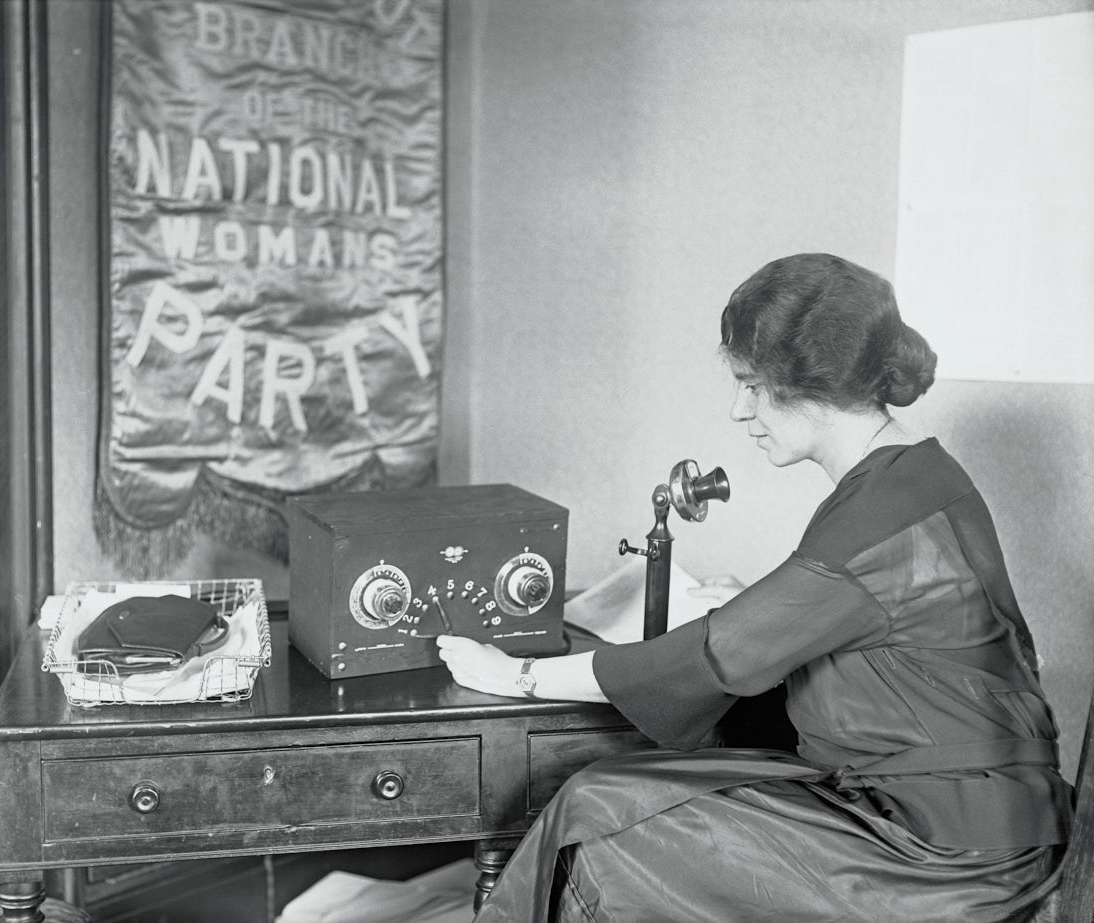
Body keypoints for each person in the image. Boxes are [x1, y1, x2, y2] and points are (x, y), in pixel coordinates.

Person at [436, 253, 1072, 922]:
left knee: (601, 820)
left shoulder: (879, 511)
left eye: (752, 384)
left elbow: (710, 657)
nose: (739, 409)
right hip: (966, 818)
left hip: (944, 852)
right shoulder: (920, 477)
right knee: (615, 797)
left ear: (812, 384)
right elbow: (871, 623)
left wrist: (517, 673)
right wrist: (759, 610)